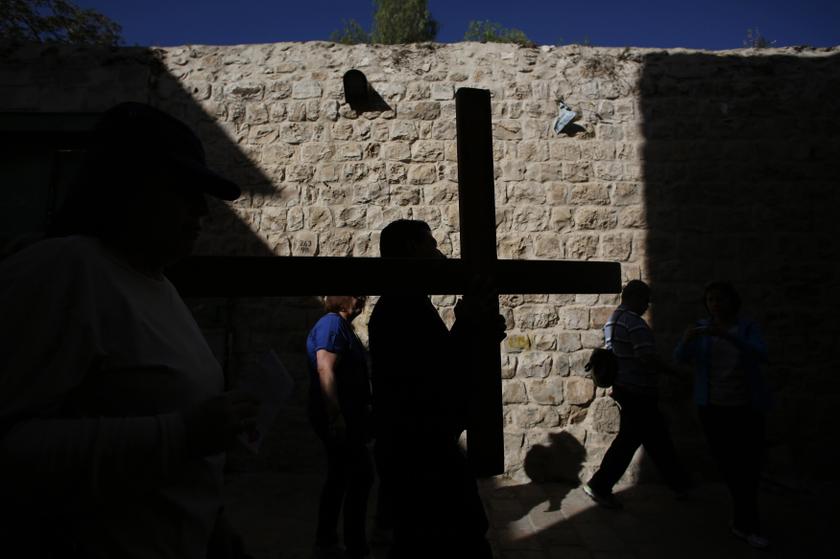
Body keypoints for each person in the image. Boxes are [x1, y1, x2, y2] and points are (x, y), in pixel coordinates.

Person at [0, 102, 258, 558]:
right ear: (128, 188)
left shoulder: (156, 283)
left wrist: (211, 521)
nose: (201, 211)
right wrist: (181, 435)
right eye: (183, 190)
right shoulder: (63, 271)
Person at [368, 219, 502, 559]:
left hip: (422, 448)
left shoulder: (407, 304)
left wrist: (473, 331)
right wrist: (467, 325)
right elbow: (432, 375)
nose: (439, 252)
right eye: (431, 244)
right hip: (420, 453)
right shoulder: (399, 308)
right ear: (413, 250)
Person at [674, 281, 771, 549]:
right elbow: (680, 358)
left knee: (748, 466)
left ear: (732, 302)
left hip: (746, 407)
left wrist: (728, 336)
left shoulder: (747, 328)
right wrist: (686, 340)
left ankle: (747, 522)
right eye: (711, 300)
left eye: (720, 299)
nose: (715, 304)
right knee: (728, 464)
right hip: (713, 408)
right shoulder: (702, 330)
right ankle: (743, 516)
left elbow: (761, 354)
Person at [583, 279, 689, 509]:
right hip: (638, 390)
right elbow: (646, 358)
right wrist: (676, 373)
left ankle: (680, 484)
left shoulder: (613, 320)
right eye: (645, 301)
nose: (647, 306)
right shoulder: (634, 323)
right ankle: (600, 485)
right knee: (637, 440)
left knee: (653, 439)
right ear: (636, 298)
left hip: (625, 388)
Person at [306, 295, 373, 559]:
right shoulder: (331, 325)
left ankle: (328, 541)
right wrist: (336, 415)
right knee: (361, 476)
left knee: (340, 478)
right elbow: (325, 368)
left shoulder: (343, 328)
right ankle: (353, 545)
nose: (362, 300)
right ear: (341, 299)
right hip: (339, 420)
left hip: (348, 419)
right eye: (356, 295)